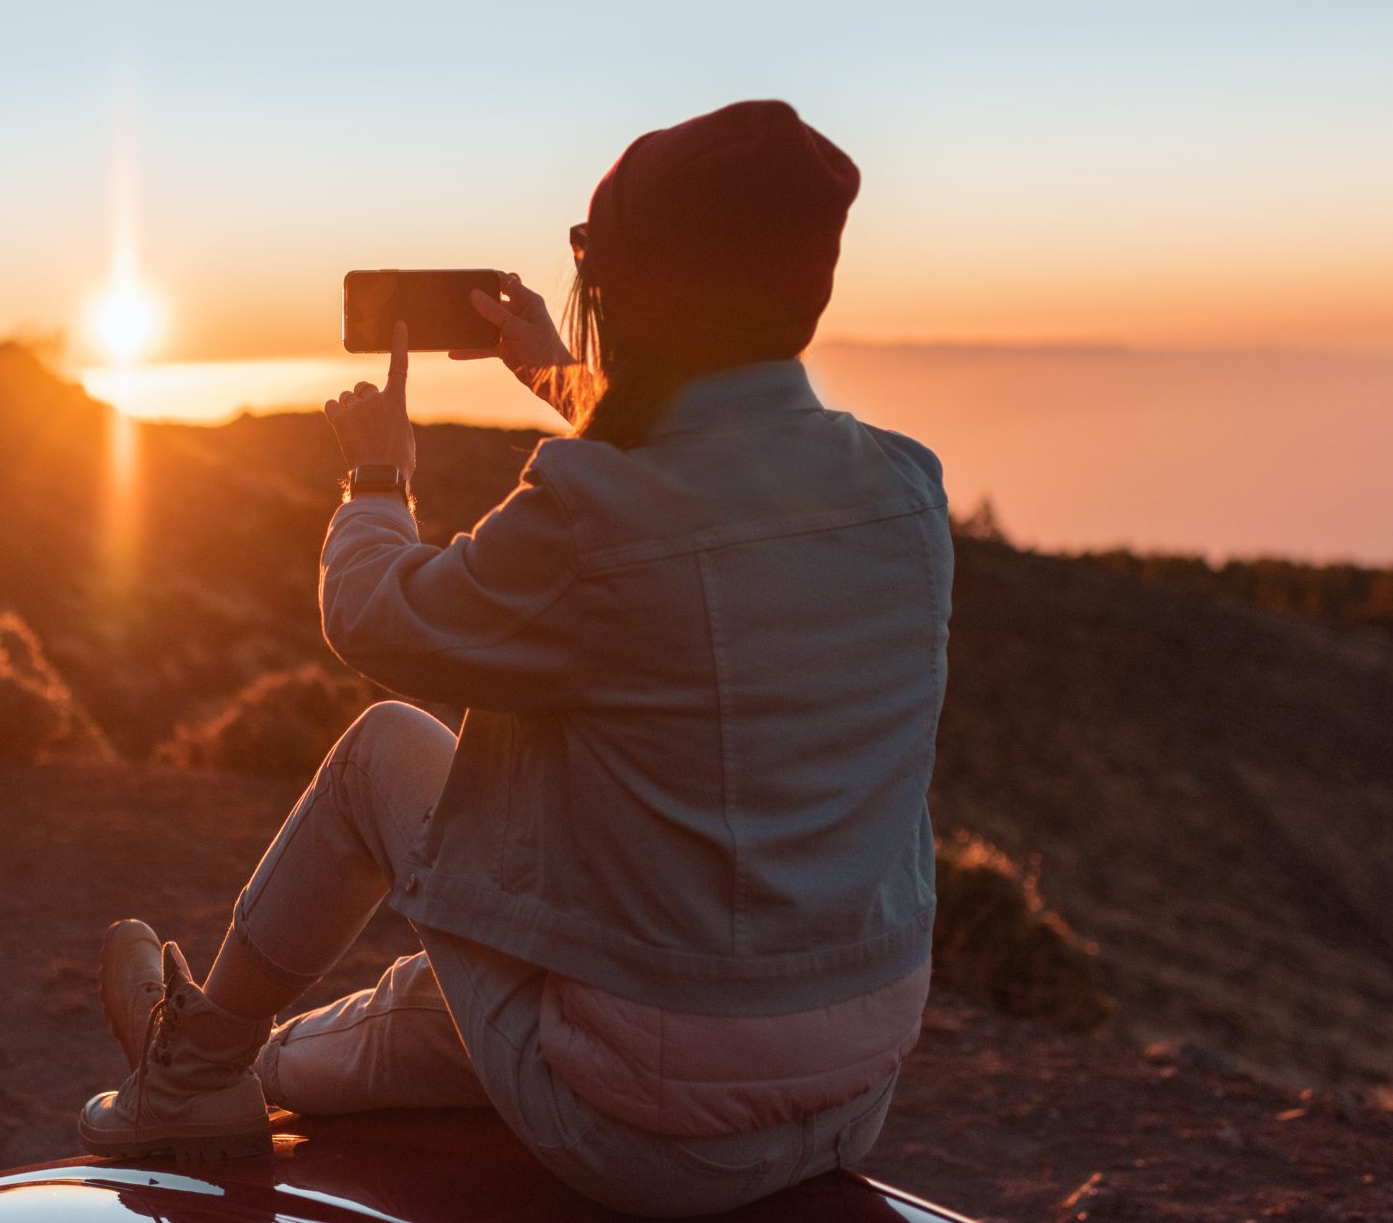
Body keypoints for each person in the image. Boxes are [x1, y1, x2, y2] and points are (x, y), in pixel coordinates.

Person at [78, 100, 952, 1217]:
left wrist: (378, 477)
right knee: (427, 1005)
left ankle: (187, 1073)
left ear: (627, 288)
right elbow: (713, 485)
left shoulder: (596, 515)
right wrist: (557, 376)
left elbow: (374, 616)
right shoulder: (903, 490)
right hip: (841, 1091)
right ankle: (219, 1055)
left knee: (386, 751)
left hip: (647, 1129)